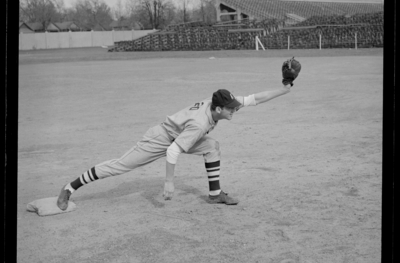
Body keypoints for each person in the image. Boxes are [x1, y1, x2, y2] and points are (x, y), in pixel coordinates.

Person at [57, 84, 291, 210]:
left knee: (212, 147)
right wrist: (169, 182)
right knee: (120, 166)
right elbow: (173, 150)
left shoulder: (215, 104)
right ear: (218, 109)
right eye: (230, 109)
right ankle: (70, 187)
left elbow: (253, 99)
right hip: (160, 139)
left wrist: (285, 88)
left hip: (180, 137)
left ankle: (215, 194)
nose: (234, 110)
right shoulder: (200, 124)